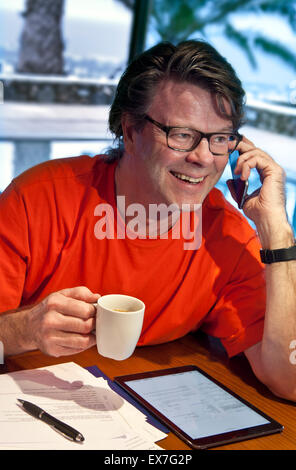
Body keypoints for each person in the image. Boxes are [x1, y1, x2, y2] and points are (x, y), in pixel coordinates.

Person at [0, 40, 295, 401]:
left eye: (219, 138)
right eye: (182, 135)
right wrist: (23, 331)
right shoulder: (37, 200)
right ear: (130, 131)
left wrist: (276, 231)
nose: (204, 158)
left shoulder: (228, 238)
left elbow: (289, 379)